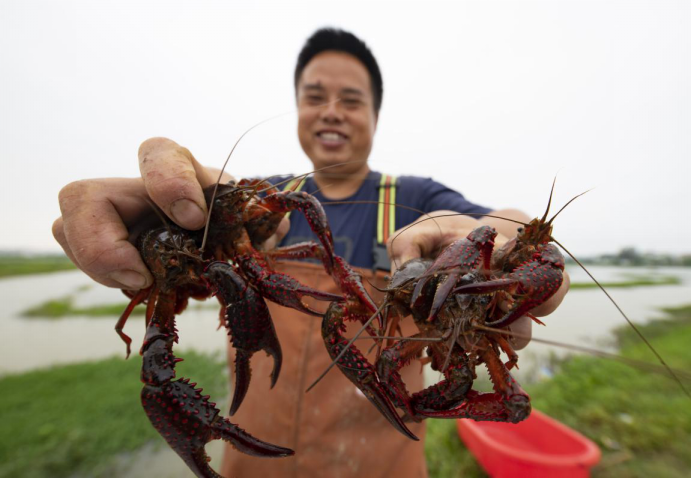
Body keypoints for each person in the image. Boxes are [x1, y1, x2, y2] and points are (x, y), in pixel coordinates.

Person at [53, 28, 568, 478]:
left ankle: (411, 408)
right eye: (315, 96)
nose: (331, 112)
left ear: (375, 114)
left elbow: (498, 225)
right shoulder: (258, 203)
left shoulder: (420, 201)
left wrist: (515, 242)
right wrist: (166, 225)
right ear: (298, 108)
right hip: (252, 466)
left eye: (351, 99)